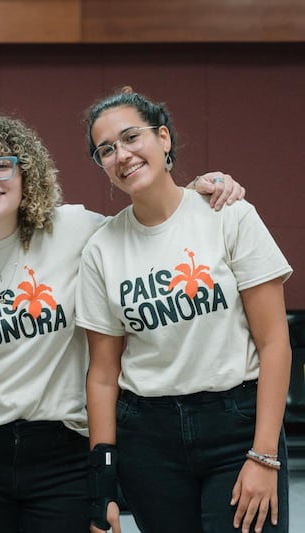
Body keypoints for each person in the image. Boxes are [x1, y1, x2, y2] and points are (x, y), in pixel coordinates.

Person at [0, 111, 245, 532]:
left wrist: (205, 187)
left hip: (63, 457)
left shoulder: (75, 229)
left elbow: (154, 223)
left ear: (25, 174)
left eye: (2, 165)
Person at [77, 87, 291, 533]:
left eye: (132, 137)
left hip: (237, 426)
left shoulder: (228, 215)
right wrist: (104, 485)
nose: (122, 155)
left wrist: (264, 455)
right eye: (106, 150)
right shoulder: (101, 249)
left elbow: (274, 344)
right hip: (148, 439)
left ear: (164, 138)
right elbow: (101, 375)